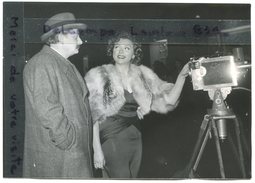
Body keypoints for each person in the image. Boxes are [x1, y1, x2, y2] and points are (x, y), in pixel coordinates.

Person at [85, 31, 190, 178]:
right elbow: (93, 116)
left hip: (135, 137)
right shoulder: (99, 76)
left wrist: (182, 76)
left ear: (134, 54)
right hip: (111, 138)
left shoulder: (141, 75)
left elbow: (169, 100)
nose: (121, 51)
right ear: (112, 50)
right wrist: (96, 149)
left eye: (127, 48)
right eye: (117, 47)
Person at [23, 12, 93, 178]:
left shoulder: (62, 64)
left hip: (71, 155)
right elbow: (48, 110)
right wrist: (69, 140)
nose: (81, 41)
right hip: (62, 157)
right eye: (75, 35)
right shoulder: (42, 63)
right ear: (60, 36)